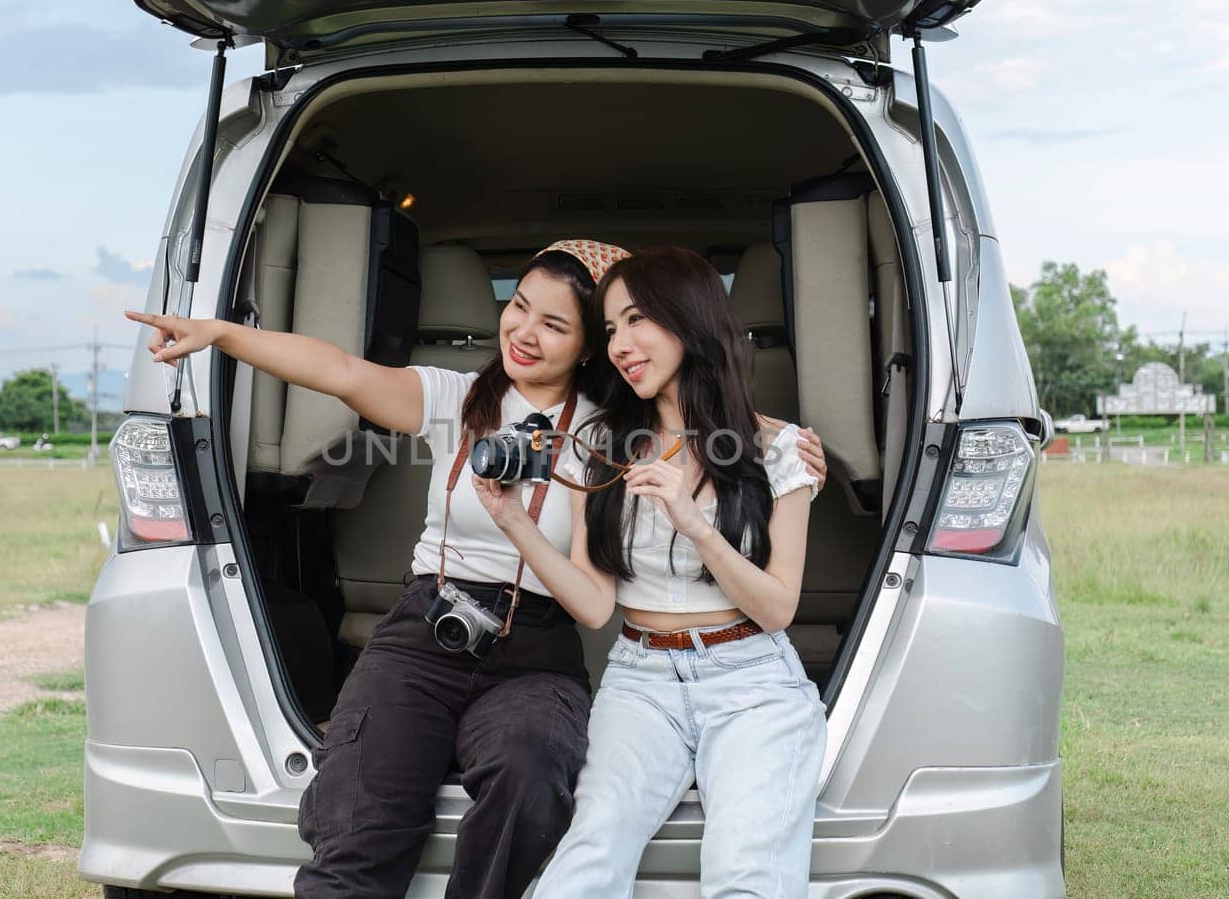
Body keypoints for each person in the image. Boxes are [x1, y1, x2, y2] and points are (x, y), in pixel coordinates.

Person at [126, 240, 826, 899]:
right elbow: (340, 371)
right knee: (363, 806)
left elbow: (695, 439)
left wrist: (782, 448)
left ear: (589, 351)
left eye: (557, 324)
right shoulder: (461, 400)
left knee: (532, 774)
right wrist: (222, 335)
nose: (524, 331)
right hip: (428, 625)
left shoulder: (604, 433)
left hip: (541, 646)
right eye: (518, 305)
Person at [473, 247, 827, 899]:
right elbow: (595, 603)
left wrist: (693, 520)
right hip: (641, 681)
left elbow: (777, 609)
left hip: (753, 682)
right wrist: (514, 522)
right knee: (586, 858)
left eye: (637, 320)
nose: (620, 345)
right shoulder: (602, 444)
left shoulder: (779, 449)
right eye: (609, 329)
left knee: (745, 876)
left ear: (688, 321)